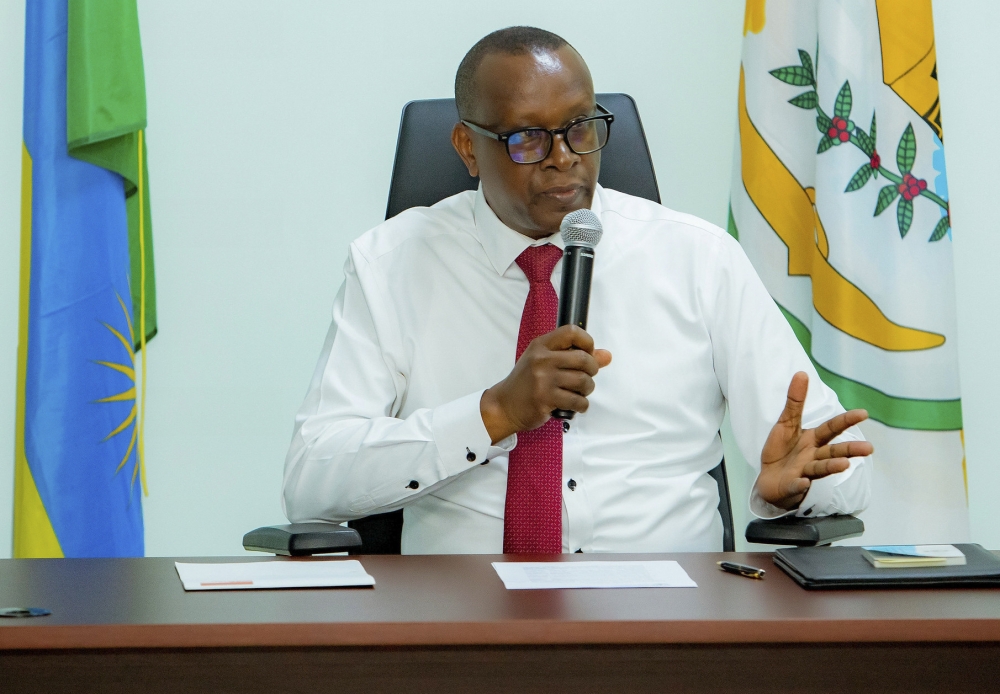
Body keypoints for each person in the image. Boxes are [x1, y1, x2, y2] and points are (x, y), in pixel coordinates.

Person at [282, 26, 873, 554]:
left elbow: (835, 460)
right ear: (467, 147)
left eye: (580, 129)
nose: (564, 159)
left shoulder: (699, 260)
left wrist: (798, 489)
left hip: (665, 610)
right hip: (468, 610)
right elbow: (311, 478)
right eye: (529, 138)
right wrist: (493, 413)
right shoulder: (390, 264)